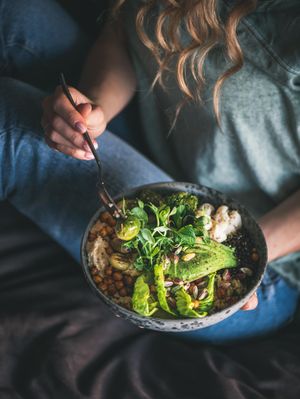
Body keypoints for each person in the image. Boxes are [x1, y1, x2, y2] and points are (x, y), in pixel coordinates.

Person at [0, 0, 299, 344]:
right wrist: (94, 112)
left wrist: (244, 253)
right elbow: (125, 36)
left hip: (265, 256)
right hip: (151, 136)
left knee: (10, 126)